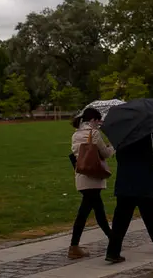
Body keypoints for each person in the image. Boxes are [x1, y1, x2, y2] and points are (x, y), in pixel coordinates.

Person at [105, 132, 153, 264]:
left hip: (125, 184)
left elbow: (119, 158)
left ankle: (113, 251)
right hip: (145, 183)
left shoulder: (121, 137)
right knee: (152, 216)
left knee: (120, 221)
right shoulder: (150, 135)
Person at [68, 107, 115, 259]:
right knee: (86, 213)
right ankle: (74, 246)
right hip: (92, 177)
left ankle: (113, 238)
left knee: (96, 210)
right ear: (93, 120)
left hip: (82, 176)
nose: (99, 124)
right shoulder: (93, 133)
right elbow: (106, 154)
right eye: (98, 121)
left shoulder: (76, 134)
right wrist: (113, 145)